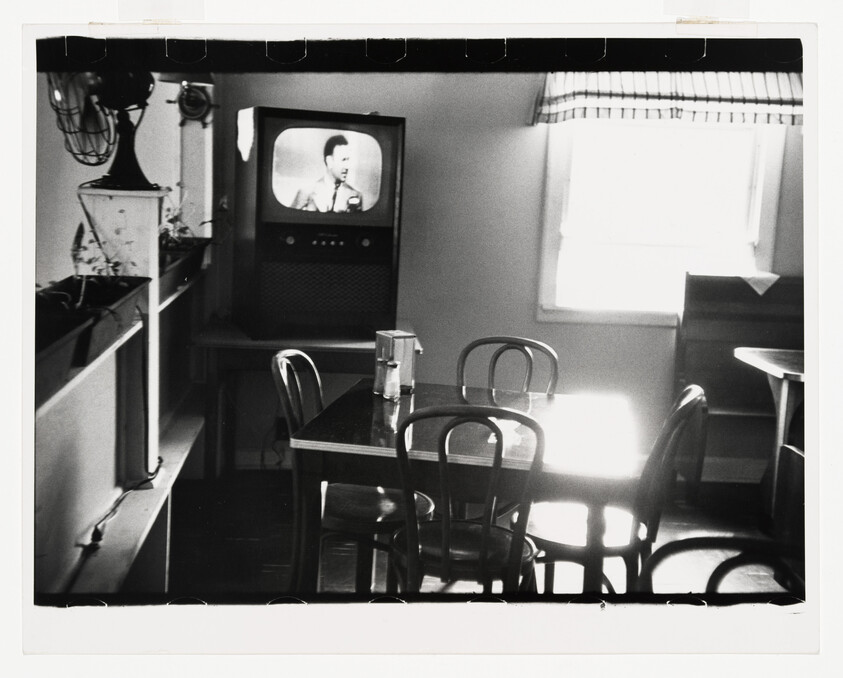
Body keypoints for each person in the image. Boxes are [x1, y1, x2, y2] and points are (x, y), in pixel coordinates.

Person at [292, 135, 364, 213]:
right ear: (329, 161)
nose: (347, 166)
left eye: (348, 160)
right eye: (343, 160)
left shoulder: (356, 196)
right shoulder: (306, 193)